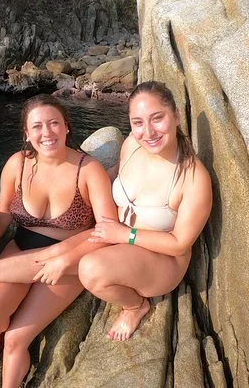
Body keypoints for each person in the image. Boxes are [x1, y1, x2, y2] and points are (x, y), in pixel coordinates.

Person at [0, 94, 117, 386]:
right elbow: (3, 212)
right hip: (21, 248)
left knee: (16, 339)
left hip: (65, 263)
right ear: (27, 134)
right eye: (37, 126)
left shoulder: (88, 170)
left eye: (54, 123)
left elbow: (109, 228)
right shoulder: (18, 164)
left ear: (66, 127)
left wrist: (67, 259)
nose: (47, 132)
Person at [80, 80, 213, 341]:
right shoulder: (131, 145)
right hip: (118, 238)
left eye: (157, 118)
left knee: (89, 270)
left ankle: (135, 307)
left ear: (175, 116)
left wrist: (125, 234)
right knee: (56, 259)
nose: (148, 132)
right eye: (138, 122)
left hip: (161, 260)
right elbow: (114, 175)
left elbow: (179, 244)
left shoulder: (193, 177)